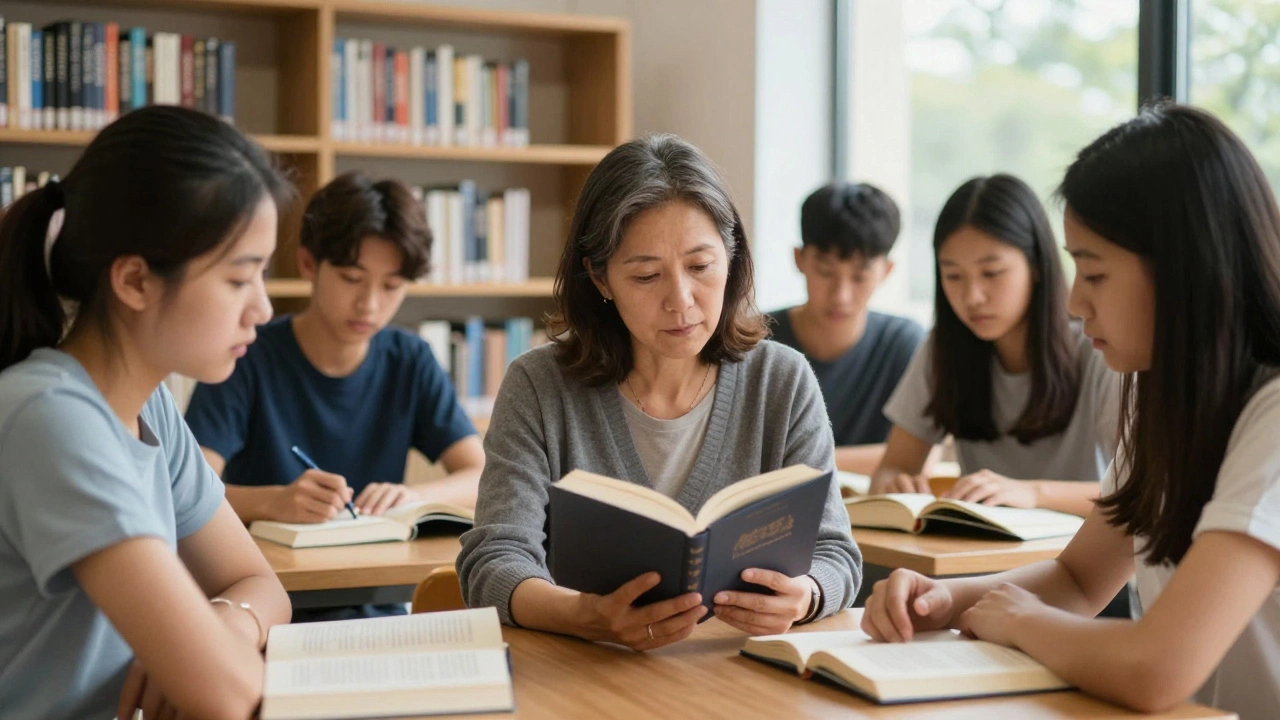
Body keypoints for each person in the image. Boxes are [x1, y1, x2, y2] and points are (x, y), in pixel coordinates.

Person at [862, 103, 1280, 719]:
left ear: (1184, 268)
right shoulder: (1156, 393)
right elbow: (1080, 580)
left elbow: (1156, 668)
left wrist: (1023, 623)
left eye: (1094, 272)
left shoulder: (1270, 415)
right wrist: (942, 600)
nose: (1077, 303)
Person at [456, 134, 861, 649]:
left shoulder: (781, 380)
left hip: (738, 678)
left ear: (731, 258)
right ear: (601, 278)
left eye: (700, 267)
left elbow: (836, 554)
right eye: (647, 275)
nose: (681, 300)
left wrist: (804, 596)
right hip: (587, 679)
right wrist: (584, 615)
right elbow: (492, 564)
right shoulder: (538, 386)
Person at [0, 106, 293, 720]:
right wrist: (208, 655)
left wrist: (227, 624)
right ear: (135, 281)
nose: (263, 309)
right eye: (240, 279)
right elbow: (228, 696)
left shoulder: (149, 403)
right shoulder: (50, 416)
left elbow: (261, 587)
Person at [185, 171, 484, 621]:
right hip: (264, 606)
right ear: (309, 264)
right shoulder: (244, 355)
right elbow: (190, 491)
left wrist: (413, 497)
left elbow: (481, 473)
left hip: (374, 603)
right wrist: (275, 501)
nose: (369, 304)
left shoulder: (409, 359)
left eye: (390, 286)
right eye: (351, 278)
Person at [871, 174, 1118, 518]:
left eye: (991, 273)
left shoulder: (1101, 347)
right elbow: (892, 467)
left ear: (1035, 265)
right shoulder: (943, 348)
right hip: (976, 559)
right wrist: (896, 484)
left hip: (1082, 561)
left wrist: (1032, 492)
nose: (972, 297)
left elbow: (1140, 496)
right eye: (953, 276)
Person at [767, 182, 926, 475]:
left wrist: (800, 462)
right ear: (799, 259)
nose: (841, 295)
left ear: (886, 271)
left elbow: (925, 457)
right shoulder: (754, 340)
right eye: (826, 272)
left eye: (859, 276)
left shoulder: (904, 343)